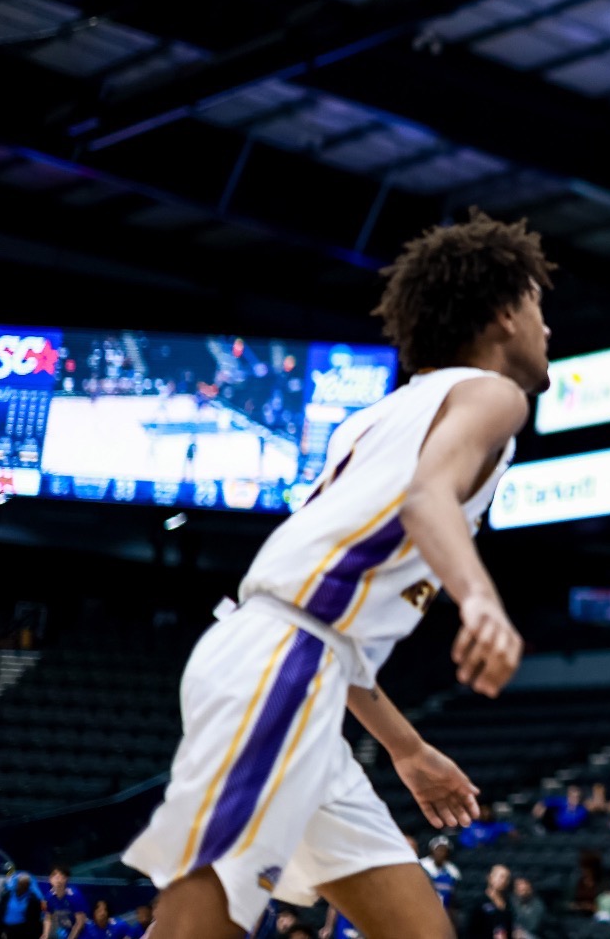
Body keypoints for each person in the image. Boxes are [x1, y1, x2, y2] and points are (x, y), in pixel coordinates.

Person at [120, 214, 551, 939]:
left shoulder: (372, 418)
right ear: (506, 314)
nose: (548, 328)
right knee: (199, 924)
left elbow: (333, 624)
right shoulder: (495, 395)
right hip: (278, 661)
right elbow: (425, 498)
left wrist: (406, 747)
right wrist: (480, 599)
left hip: (290, 664)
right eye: (540, 306)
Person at [467, 866, 513, 939]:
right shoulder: (479, 902)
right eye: (501, 877)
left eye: (507, 878)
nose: (504, 880)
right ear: (490, 878)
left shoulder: (509, 904)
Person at [44, 869, 89, 939]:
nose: (58, 880)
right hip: (63, 931)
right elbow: (48, 918)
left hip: (81, 933)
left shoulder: (74, 895)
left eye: (61, 877)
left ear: (66, 879)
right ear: (50, 879)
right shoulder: (49, 897)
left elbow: (80, 922)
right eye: (55, 877)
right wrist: (45, 935)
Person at [0, 872, 45, 939]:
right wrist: (2, 930)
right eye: (20, 883)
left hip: (23, 932)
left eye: (24, 884)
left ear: (28, 885)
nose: (21, 886)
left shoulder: (32, 900)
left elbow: (35, 920)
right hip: (7, 930)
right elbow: (1, 913)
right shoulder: (7, 896)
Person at [421, 837, 462, 908]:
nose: (440, 853)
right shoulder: (422, 865)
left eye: (444, 850)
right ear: (432, 850)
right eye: (438, 850)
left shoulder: (452, 870)